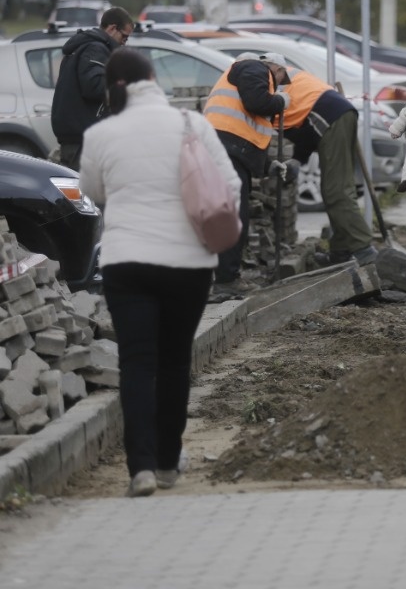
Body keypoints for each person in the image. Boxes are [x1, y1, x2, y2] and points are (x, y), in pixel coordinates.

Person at [79, 48, 241, 497]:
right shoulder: (193, 125)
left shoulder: (101, 133)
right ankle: (169, 462)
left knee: (136, 362)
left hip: (125, 262)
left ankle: (141, 469)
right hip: (188, 264)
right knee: (173, 362)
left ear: (114, 86)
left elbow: (94, 191)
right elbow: (230, 186)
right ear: (153, 79)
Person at [266, 55, 378, 266]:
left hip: (333, 119)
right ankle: (340, 251)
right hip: (339, 114)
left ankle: (364, 249)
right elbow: (306, 125)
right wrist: (298, 159)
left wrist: (294, 159)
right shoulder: (281, 79)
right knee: (338, 188)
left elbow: (305, 127)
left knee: (336, 190)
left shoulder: (266, 90)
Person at [203, 52, 289, 298]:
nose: (280, 84)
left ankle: (224, 277)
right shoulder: (253, 68)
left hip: (226, 151)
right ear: (277, 68)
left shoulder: (247, 74)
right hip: (225, 152)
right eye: (281, 77)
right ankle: (225, 281)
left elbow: (246, 127)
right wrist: (281, 101)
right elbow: (257, 102)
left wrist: (268, 165)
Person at [51, 6, 135, 170]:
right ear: (112, 28)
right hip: (83, 141)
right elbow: (94, 86)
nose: (124, 43)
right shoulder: (95, 49)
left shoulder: (85, 47)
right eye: (124, 38)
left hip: (77, 138)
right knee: (87, 193)